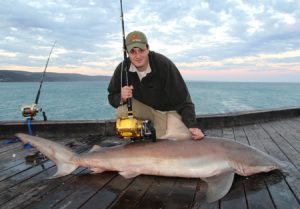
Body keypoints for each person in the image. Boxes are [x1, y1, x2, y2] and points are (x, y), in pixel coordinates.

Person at [108, 31, 204, 140]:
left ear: (148, 49)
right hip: (147, 109)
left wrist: (192, 125)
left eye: (141, 50)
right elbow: (111, 97)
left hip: (166, 112)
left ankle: (156, 130)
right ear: (127, 53)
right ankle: (140, 132)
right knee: (121, 111)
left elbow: (184, 100)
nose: (138, 56)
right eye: (133, 52)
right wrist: (121, 97)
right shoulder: (122, 69)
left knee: (162, 140)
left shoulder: (163, 65)